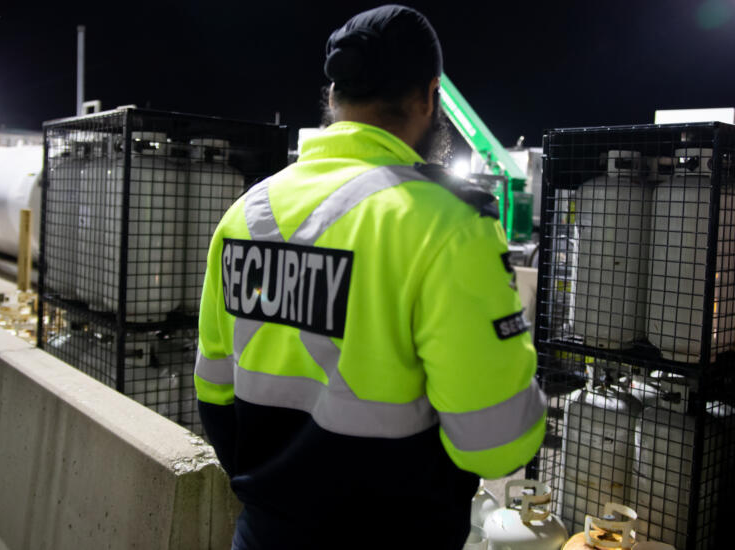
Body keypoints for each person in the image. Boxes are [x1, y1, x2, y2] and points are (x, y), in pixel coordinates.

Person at [194, 5, 546, 549]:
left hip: (263, 535)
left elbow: (214, 395)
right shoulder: (447, 226)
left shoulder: (244, 214)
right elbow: (496, 444)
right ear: (430, 97)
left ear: (334, 98)